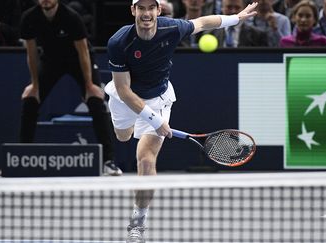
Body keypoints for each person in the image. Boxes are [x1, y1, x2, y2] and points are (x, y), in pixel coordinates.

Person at [105, 0, 257, 242]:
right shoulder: (118, 42)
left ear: (158, 10)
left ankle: (137, 222)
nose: (146, 13)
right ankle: (135, 127)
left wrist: (236, 18)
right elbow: (123, 90)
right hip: (125, 98)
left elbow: (204, 22)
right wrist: (153, 120)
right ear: (133, 11)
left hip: (158, 99)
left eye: (150, 8)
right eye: (140, 8)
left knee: (145, 160)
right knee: (122, 136)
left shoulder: (172, 28)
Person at [19, 0, 123, 176]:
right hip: (51, 61)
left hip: (78, 61)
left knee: (96, 102)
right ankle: (21, 160)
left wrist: (89, 85)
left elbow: (83, 51)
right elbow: (31, 53)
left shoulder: (71, 17)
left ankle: (108, 161)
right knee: (30, 100)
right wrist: (35, 86)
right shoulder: (29, 17)